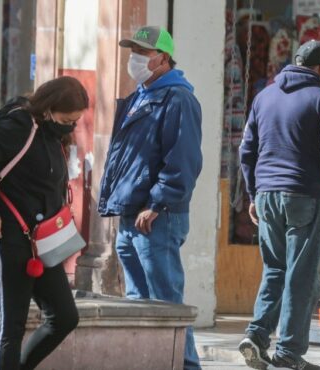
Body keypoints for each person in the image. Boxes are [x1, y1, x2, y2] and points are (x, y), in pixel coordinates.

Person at [0, 76, 88, 369]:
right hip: (8, 239)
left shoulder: (51, 133)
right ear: (49, 108)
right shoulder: (18, 125)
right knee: (13, 326)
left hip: (42, 241)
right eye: (68, 119)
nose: (72, 126)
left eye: (76, 121)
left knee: (65, 317)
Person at [98, 26, 203, 369]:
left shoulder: (179, 99)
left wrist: (157, 203)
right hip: (131, 213)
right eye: (133, 51)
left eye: (143, 53)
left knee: (165, 303)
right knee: (138, 304)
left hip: (156, 216)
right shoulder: (138, 97)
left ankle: (185, 365)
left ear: (163, 58)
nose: (136, 59)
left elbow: (182, 160)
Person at [238, 40, 320, 370]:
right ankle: (288, 353)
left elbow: (247, 151)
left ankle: (256, 335)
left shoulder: (264, 96)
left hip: (268, 193)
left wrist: (254, 194)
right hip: (304, 193)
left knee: (275, 269)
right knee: (300, 275)